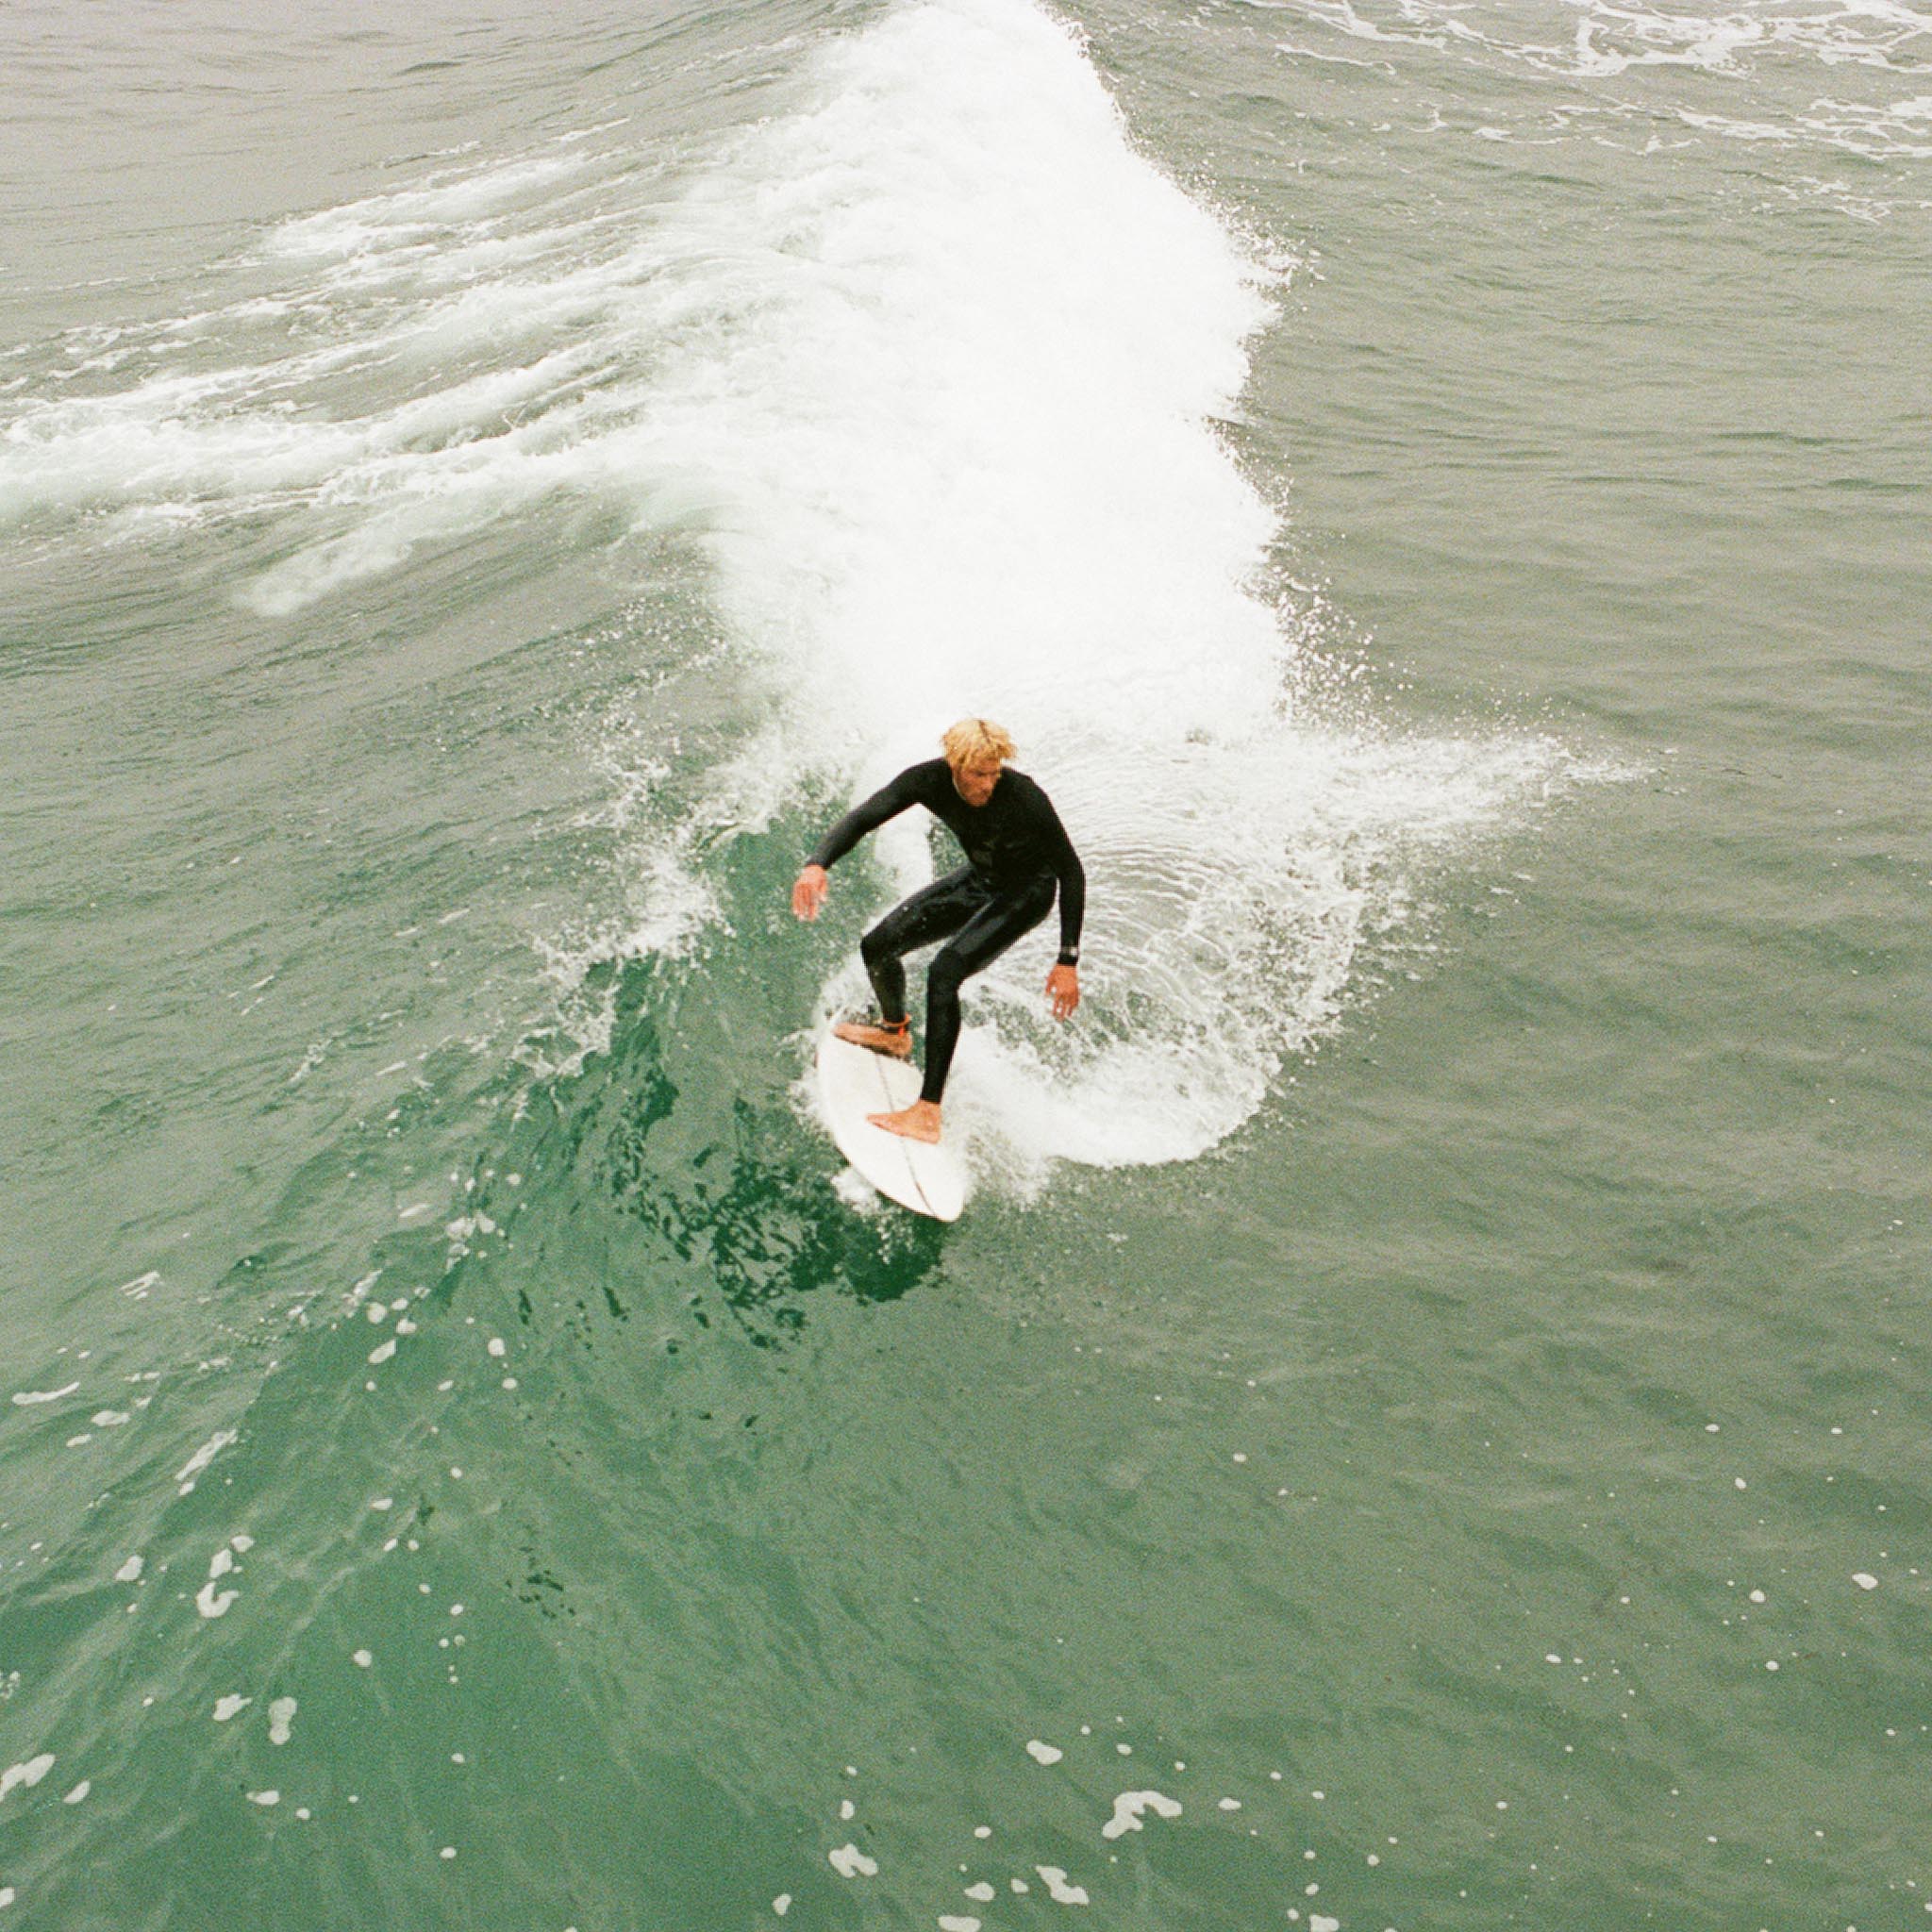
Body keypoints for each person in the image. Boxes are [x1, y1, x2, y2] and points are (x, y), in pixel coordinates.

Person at [791, 719, 1084, 1144]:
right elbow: (863, 817)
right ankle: (895, 1033)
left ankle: (927, 1112)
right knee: (878, 946)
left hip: (1026, 893)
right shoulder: (927, 780)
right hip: (980, 879)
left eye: (994, 773)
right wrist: (817, 864)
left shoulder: (1025, 798)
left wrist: (1067, 959)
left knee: (945, 972)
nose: (988, 784)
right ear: (955, 766)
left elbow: (1071, 872)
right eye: (978, 774)